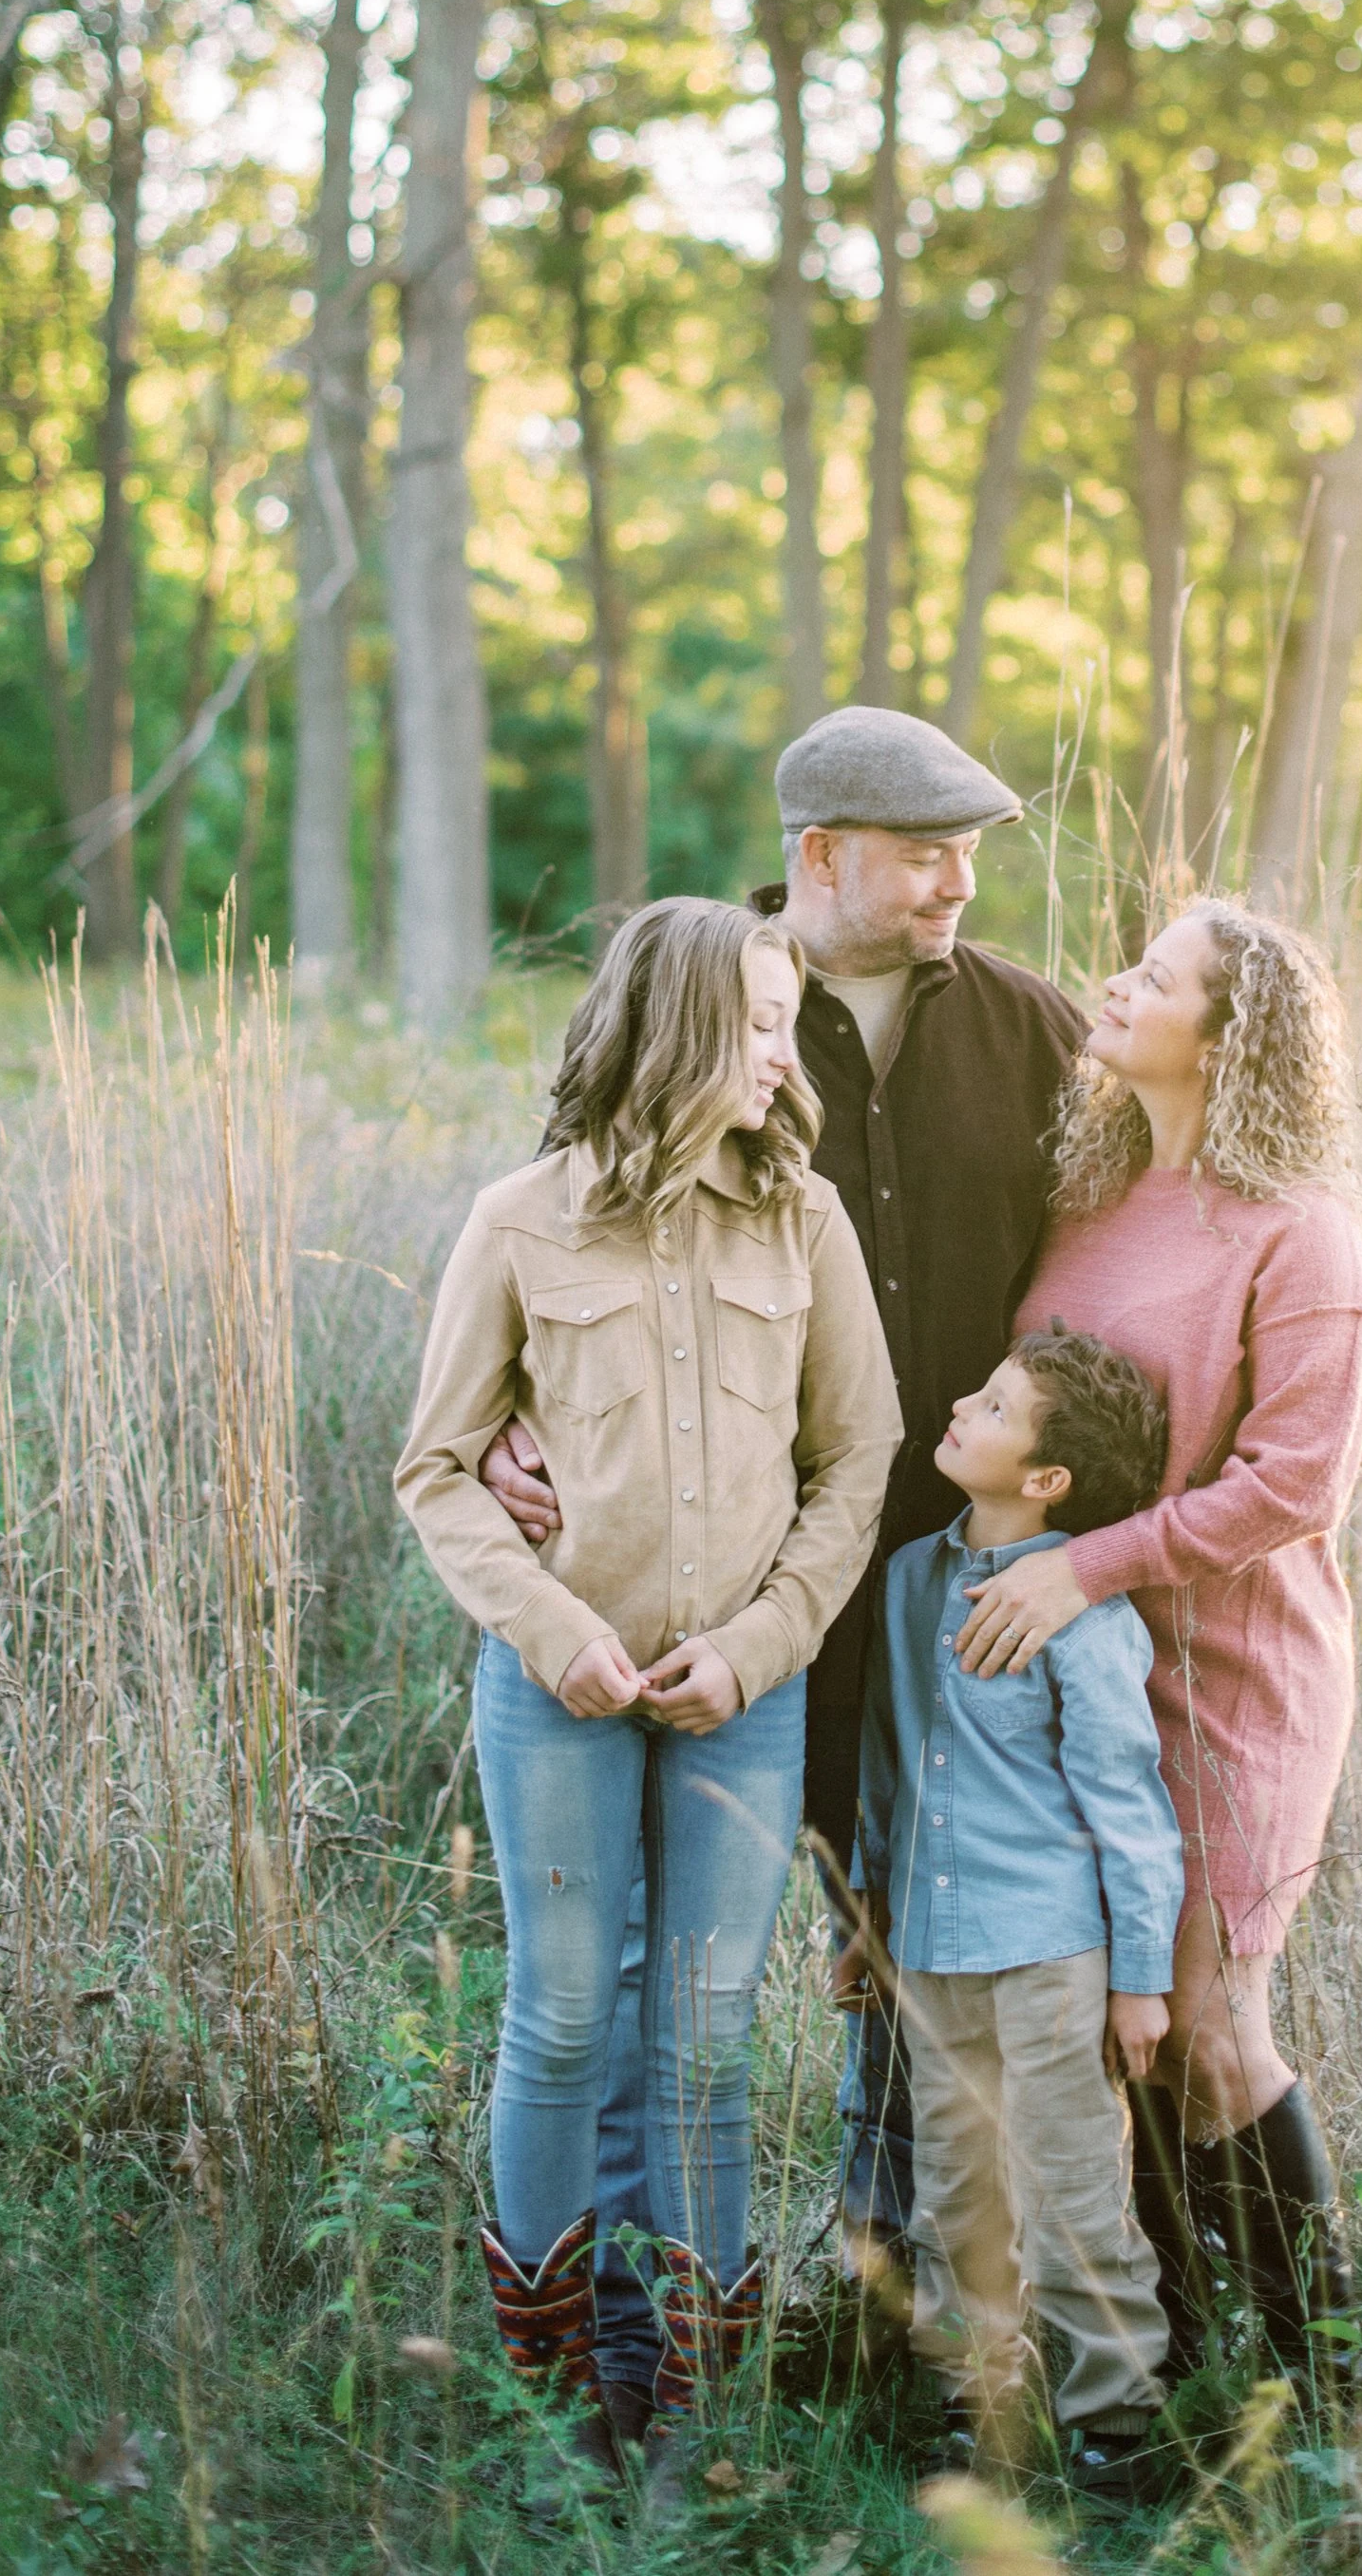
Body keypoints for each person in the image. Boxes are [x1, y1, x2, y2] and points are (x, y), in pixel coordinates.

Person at [473, 709, 1086, 2410]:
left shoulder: (1038, 1030)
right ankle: (610, 2349)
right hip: (721, 1580)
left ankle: (893, 2315)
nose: (960, 878)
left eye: (974, 847)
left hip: (949, 1582)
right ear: (820, 855)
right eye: (921, 849)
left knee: (921, 1935)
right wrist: (519, 1426)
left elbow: (1121, 1251)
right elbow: (564, 1210)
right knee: (652, 1982)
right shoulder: (708, 996)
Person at [394, 898, 901, 2489]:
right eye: (759, 1017)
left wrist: (760, 1643)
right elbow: (436, 1469)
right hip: (560, 1693)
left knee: (702, 2038)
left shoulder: (803, 1221)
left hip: (739, 1698)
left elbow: (859, 1456)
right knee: (555, 2021)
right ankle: (558, 2410)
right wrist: (556, 1632)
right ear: (678, 1028)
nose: (782, 1047)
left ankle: (687, 2411)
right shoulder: (519, 1223)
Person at [953, 900, 1362, 2389]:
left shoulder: (1306, 1235)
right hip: (1072, 1675)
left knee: (1207, 2028)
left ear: (1231, 1037)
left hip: (1235, 1678)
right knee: (1106, 2028)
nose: (1117, 985)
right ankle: (1188, 2364)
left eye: (1156, 977)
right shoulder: (1090, 1193)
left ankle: (1325, 2378)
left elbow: (1296, 1484)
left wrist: (1090, 1565)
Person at [846, 1326, 1182, 2509]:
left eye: (993, 1407)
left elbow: (1129, 1810)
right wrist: (865, 1909)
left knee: (1076, 2189)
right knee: (955, 2189)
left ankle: (1116, 2422)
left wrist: (1141, 1978)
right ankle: (977, 2399)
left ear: (1047, 1480)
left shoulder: (1086, 1619)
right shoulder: (907, 1583)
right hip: (933, 1950)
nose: (960, 1405)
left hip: (1050, 1955)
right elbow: (891, 1762)